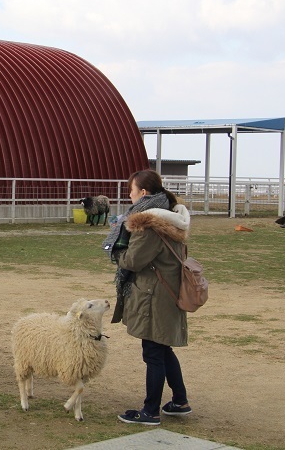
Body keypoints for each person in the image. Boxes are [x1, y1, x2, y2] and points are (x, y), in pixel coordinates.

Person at [102, 170, 192, 426]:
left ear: (143, 193)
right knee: (162, 349)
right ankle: (179, 401)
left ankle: (150, 411)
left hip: (153, 295)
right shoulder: (173, 216)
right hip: (166, 291)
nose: (129, 195)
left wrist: (116, 252)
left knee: (153, 352)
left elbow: (133, 260)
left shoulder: (147, 223)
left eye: (132, 190)